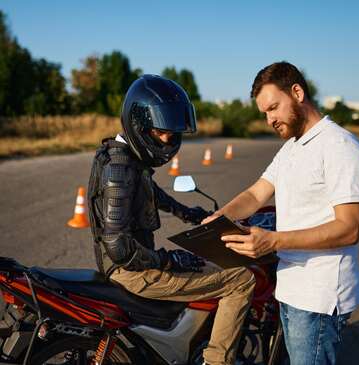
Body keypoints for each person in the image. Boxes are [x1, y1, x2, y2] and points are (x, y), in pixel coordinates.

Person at [203, 62, 359, 365]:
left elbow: (350, 228)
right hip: (291, 289)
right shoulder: (292, 147)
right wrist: (220, 219)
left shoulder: (340, 146)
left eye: (274, 107)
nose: (269, 119)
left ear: (298, 92)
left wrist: (273, 241)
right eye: (264, 112)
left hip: (320, 297)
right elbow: (255, 194)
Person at [88, 74, 255, 365]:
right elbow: (119, 248)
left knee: (207, 262)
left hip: (136, 265)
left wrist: (188, 213)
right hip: (134, 272)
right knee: (241, 279)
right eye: (161, 131)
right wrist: (168, 261)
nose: (169, 138)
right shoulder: (120, 169)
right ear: (140, 124)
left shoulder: (127, 159)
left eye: (172, 131)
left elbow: (152, 193)